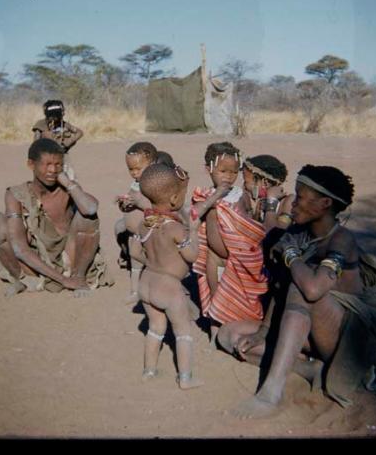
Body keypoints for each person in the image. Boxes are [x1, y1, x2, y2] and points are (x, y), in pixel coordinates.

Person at [226, 164, 376, 418]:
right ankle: (310, 370)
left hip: (343, 337)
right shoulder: (297, 234)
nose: (292, 204)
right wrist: (264, 330)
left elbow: (313, 290)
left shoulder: (341, 240)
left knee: (301, 288)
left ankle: (271, 393)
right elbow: (279, 286)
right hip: (303, 331)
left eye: (300, 197)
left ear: (325, 203)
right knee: (230, 335)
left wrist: (291, 255)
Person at [0, 138, 112, 297]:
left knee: (88, 218)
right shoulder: (16, 194)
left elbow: (91, 209)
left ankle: (79, 278)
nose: (52, 170)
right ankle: (21, 279)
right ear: (31, 165)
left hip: (68, 258)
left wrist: (69, 183)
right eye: (47, 164)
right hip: (34, 263)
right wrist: (63, 280)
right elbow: (19, 248)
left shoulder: (67, 189)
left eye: (58, 165)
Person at [192, 144, 287, 346]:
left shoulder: (240, 195)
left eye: (234, 172)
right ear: (208, 168)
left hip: (235, 257)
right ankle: (213, 333)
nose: (229, 176)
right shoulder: (205, 194)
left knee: (228, 296)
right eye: (223, 171)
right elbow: (193, 215)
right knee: (213, 294)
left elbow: (247, 224)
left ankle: (228, 328)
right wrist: (215, 197)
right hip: (214, 257)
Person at [134, 163, 206, 389]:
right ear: (175, 199)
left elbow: (135, 252)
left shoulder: (144, 225)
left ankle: (149, 371)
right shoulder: (176, 229)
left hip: (146, 282)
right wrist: (193, 231)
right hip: (169, 287)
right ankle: (185, 378)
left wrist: (153, 264)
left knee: (155, 328)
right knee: (183, 331)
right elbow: (192, 256)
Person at [114, 142, 158, 304]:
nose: (134, 173)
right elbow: (130, 204)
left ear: (152, 164)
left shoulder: (154, 184)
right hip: (135, 234)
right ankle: (134, 291)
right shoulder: (136, 183)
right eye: (130, 169)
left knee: (152, 262)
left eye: (138, 169)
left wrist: (139, 202)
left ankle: (154, 289)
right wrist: (124, 204)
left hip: (150, 233)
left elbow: (157, 207)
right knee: (135, 262)